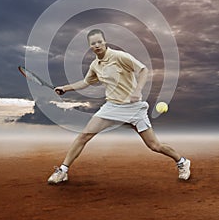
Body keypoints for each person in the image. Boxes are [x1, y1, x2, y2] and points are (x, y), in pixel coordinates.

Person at [48, 29, 190, 184]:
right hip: (112, 107)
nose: (97, 45)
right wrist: (65, 88)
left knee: (154, 146)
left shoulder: (119, 56)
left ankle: (182, 161)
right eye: (93, 43)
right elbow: (86, 82)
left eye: (99, 41)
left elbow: (143, 70)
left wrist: (137, 91)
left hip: (134, 108)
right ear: (89, 46)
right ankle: (63, 170)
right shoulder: (95, 65)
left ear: (105, 41)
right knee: (84, 136)